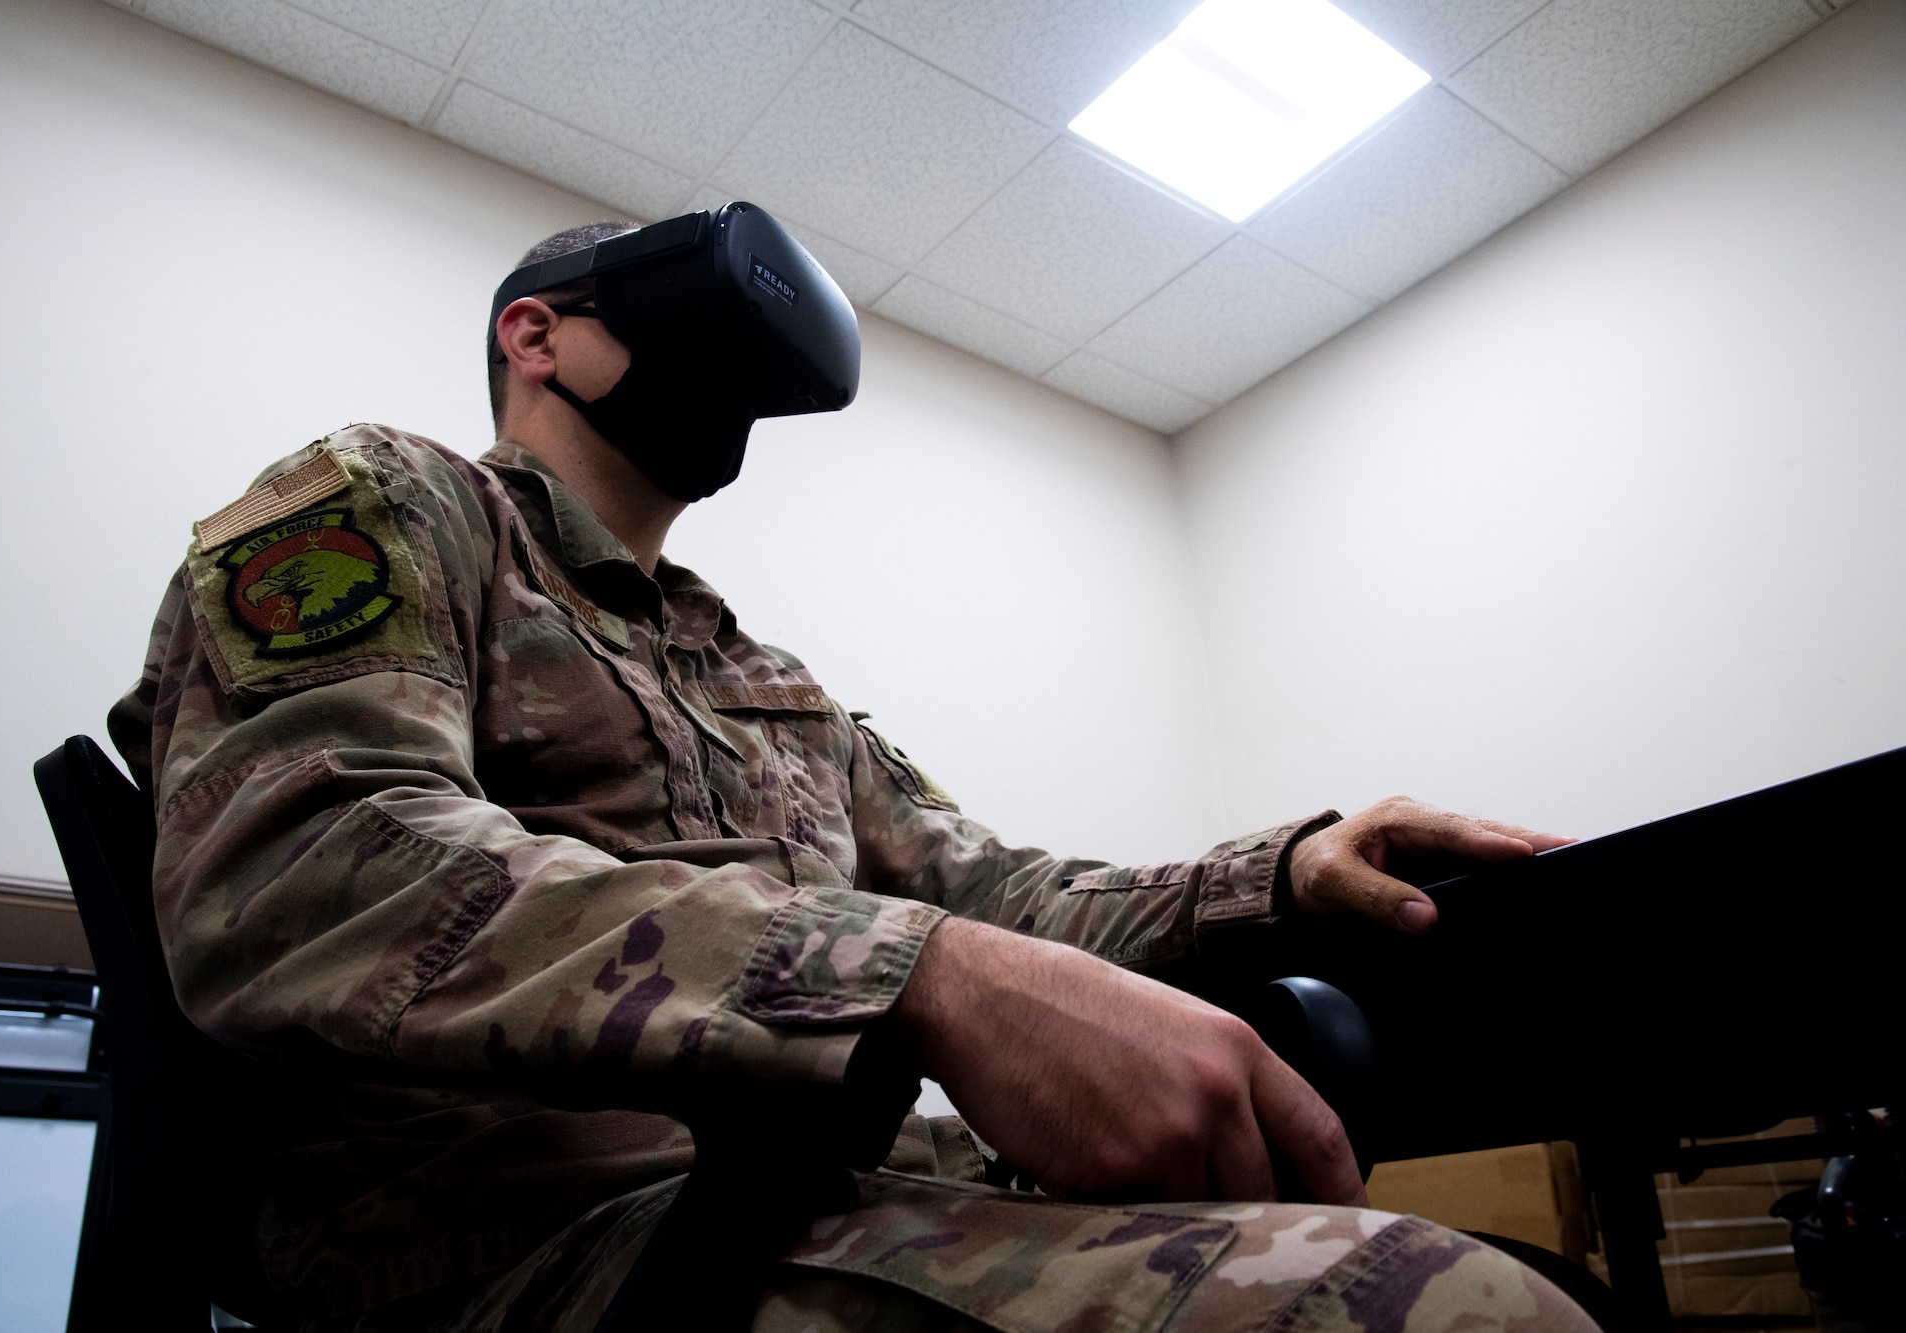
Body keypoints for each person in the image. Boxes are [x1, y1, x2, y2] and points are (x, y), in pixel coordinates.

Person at [109, 213, 1594, 1333]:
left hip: (824, 1202)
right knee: (1441, 1307)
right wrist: (912, 974)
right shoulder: (396, 504)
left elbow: (1001, 895)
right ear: (534, 336)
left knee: (1520, 1272)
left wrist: (1278, 872)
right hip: (544, 1260)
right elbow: (314, 864)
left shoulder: (760, 679)